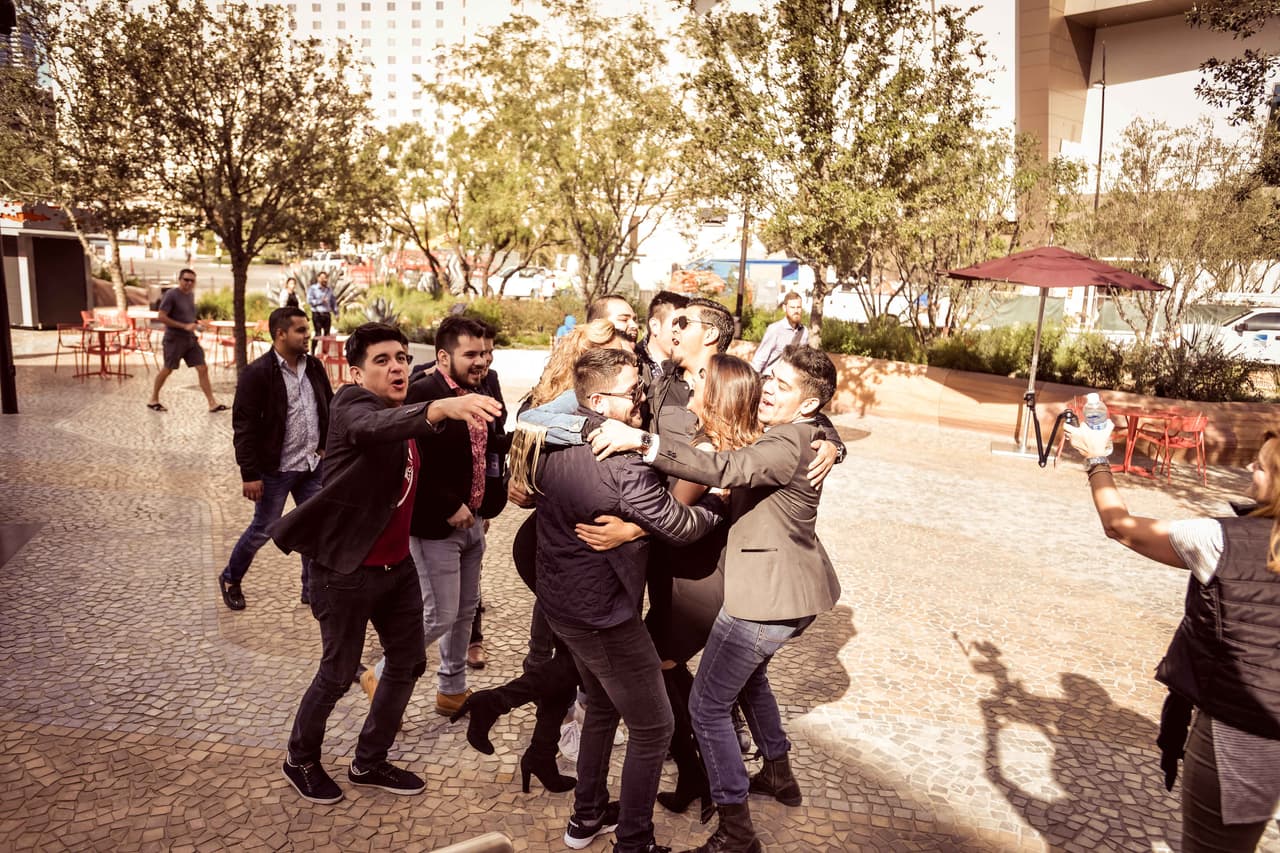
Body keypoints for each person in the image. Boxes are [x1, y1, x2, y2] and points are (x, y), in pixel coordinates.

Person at [590, 343, 844, 853]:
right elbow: (795, 437)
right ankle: (778, 772)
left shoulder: (790, 442)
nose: (768, 387)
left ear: (809, 405)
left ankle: (735, 832)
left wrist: (640, 441)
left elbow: (725, 469)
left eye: (783, 386)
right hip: (790, 589)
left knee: (707, 707)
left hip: (764, 597)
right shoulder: (803, 433)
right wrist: (834, 442)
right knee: (750, 683)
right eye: (769, 378)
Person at [269, 323, 502, 806]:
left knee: (408, 661)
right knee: (337, 673)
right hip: (346, 571)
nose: (396, 367)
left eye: (400, 358)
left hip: (398, 568)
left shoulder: (402, 406)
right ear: (355, 373)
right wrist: (438, 407)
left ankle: (370, 759)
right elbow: (374, 428)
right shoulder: (352, 407)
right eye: (382, 360)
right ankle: (300, 759)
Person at [536, 347, 724, 853]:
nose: (640, 397)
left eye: (640, 387)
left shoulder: (559, 429)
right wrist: (714, 505)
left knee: (600, 705)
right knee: (654, 727)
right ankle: (634, 842)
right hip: (604, 615)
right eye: (631, 393)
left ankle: (586, 818)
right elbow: (680, 527)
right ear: (598, 398)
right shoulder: (619, 461)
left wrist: (631, 529)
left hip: (563, 601)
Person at [1064, 421, 1280, 851]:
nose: (1252, 466)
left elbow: (1120, 525)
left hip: (1234, 740)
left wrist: (1096, 457)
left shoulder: (1220, 540)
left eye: (1263, 465)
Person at [361, 317, 500, 718]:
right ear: (443, 356)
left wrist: (485, 498)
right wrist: (447, 504)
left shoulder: (484, 385)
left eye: (486, 352)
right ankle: (381, 675)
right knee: (439, 612)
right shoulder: (423, 394)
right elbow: (410, 461)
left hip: (474, 521)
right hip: (433, 526)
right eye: (471, 354)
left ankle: (451, 690)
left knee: (466, 609)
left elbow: (486, 447)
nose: (481, 361)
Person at [219, 307, 332, 611]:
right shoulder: (257, 374)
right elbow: (243, 428)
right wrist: (249, 473)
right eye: (300, 330)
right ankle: (231, 578)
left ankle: (312, 589)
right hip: (275, 470)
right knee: (264, 529)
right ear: (280, 334)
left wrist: (324, 447)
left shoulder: (315, 367)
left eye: (307, 330)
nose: (307, 335)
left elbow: (328, 407)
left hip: (310, 466)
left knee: (314, 529)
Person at [146, 269, 226, 413]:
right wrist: (184, 326)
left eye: (192, 280)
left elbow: (189, 318)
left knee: (202, 368)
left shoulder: (190, 295)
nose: (189, 283)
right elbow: (161, 317)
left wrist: (199, 324)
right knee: (168, 369)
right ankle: (153, 399)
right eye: (186, 280)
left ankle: (212, 403)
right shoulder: (171, 295)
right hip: (174, 340)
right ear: (180, 280)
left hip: (190, 339)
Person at [635, 291, 689, 386]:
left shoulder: (688, 366)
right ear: (655, 326)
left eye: (686, 325)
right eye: (677, 323)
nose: (681, 330)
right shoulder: (631, 362)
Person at [749, 291, 808, 374]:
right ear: (784, 308)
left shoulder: (804, 331)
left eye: (798, 307)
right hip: (771, 380)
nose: (796, 310)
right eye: (792, 307)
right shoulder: (775, 329)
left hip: (790, 382)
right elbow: (760, 359)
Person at [307, 272, 337, 354]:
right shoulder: (313, 289)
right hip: (317, 313)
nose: (324, 280)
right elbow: (309, 301)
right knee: (318, 333)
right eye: (322, 278)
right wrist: (320, 301)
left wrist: (336, 313)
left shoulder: (329, 290)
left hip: (326, 313)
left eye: (326, 278)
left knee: (327, 335)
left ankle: (325, 353)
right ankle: (312, 352)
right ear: (318, 278)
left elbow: (333, 302)